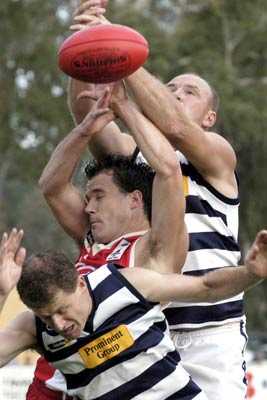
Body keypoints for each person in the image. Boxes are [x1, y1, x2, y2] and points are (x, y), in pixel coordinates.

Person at [67, 2, 246, 399]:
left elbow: (175, 127)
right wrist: (85, 42)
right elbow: (88, 116)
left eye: (190, 91)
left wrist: (118, 51)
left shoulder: (216, 154)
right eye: (169, 89)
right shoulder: (136, 154)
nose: (176, 93)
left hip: (210, 330)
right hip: (148, 324)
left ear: (210, 117)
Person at [31, 81, 187, 398]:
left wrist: (125, 107)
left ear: (134, 200)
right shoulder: (90, 238)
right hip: (48, 382)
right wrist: (85, 129)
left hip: (97, 386)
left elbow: (169, 171)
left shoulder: (153, 248)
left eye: (98, 196)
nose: (88, 207)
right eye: (87, 197)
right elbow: (52, 187)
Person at [1, 227, 267, 399]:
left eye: (62, 310)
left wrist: (250, 273)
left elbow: (206, 286)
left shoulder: (127, 284)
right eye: (47, 317)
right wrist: (2, 292)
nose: (58, 324)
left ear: (81, 283)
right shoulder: (33, 328)